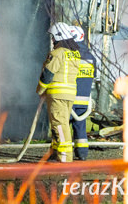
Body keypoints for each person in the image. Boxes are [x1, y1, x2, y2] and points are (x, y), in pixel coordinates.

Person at [36, 22, 81, 162]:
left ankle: (64, 157)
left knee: (59, 125)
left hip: (57, 95)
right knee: (61, 123)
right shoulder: (74, 54)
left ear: (58, 37)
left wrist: (40, 90)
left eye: (53, 37)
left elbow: (48, 74)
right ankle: (56, 152)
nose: (52, 40)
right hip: (69, 94)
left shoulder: (57, 53)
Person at [69, 24, 95, 160]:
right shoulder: (91, 57)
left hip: (69, 98)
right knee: (80, 128)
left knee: (62, 128)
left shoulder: (70, 55)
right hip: (84, 100)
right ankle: (82, 154)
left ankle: (61, 154)